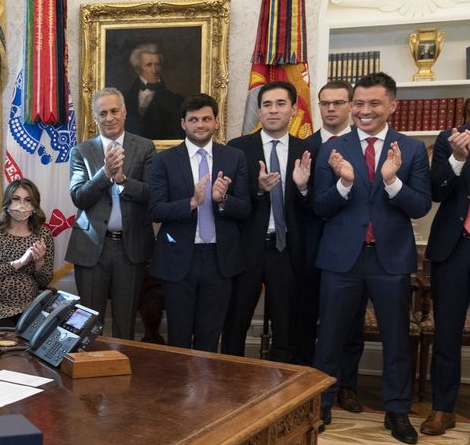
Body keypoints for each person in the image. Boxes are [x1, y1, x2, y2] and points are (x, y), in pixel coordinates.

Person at [312, 72, 431, 444]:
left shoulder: (410, 150)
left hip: (390, 259)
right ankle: (322, 403)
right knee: (329, 337)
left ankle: (397, 410)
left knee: (396, 339)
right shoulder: (333, 148)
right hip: (341, 259)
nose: (365, 111)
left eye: (374, 103)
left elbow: (421, 205)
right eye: (359, 103)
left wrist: (393, 181)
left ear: (391, 106)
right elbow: (320, 207)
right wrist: (344, 183)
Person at [148, 94, 250, 351]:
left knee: (209, 336)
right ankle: (179, 390)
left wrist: (222, 199)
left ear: (217, 121)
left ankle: (206, 391)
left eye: (206, 118)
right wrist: (191, 203)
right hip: (179, 259)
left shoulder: (234, 157)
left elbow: (246, 208)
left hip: (220, 259)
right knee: (179, 336)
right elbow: (155, 209)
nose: (200, 124)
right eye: (193, 119)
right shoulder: (164, 160)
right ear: (183, 123)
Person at [221, 81, 312, 361]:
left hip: (286, 250)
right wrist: (259, 189)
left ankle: (278, 393)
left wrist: (303, 188)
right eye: (267, 105)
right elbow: (228, 201)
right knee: (236, 323)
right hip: (248, 248)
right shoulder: (237, 148)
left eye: (281, 104)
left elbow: (315, 208)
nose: (273, 111)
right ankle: (230, 386)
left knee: (286, 326)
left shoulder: (306, 150)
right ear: (258, 111)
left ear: (294, 110)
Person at [66, 88, 155, 338]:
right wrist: (104, 175)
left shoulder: (145, 147)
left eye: (114, 111)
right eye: (102, 113)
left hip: (131, 248)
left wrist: (122, 180)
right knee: (88, 324)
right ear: (95, 118)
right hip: (92, 247)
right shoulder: (81, 151)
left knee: (125, 323)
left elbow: (151, 193)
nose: (109, 117)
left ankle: (123, 373)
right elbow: (79, 197)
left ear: (124, 112)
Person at [299, 80, 366, 414]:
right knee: (313, 319)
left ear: (351, 106)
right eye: (325, 103)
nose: (331, 109)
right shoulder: (306, 146)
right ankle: (314, 387)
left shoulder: (363, 146)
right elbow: (298, 203)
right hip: (314, 247)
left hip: (353, 250)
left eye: (338, 103)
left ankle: (347, 385)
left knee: (351, 324)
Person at [421, 117, 470, 436]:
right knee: (447, 333)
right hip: (455, 249)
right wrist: (458, 159)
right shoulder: (450, 139)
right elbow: (435, 191)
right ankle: (443, 409)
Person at [0, 178, 55, 331]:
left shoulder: (43, 235)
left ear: (34, 206)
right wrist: (20, 262)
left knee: (42, 339)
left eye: (28, 200)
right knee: (9, 339)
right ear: (7, 203)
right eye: (16, 199)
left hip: (30, 308)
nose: (22, 206)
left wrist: (39, 263)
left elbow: (44, 281)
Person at [121, 43, 185, 141]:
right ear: (138, 69)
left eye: (157, 65)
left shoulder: (175, 100)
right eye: (148, 65)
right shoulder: (122, 98)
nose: (154, 70)